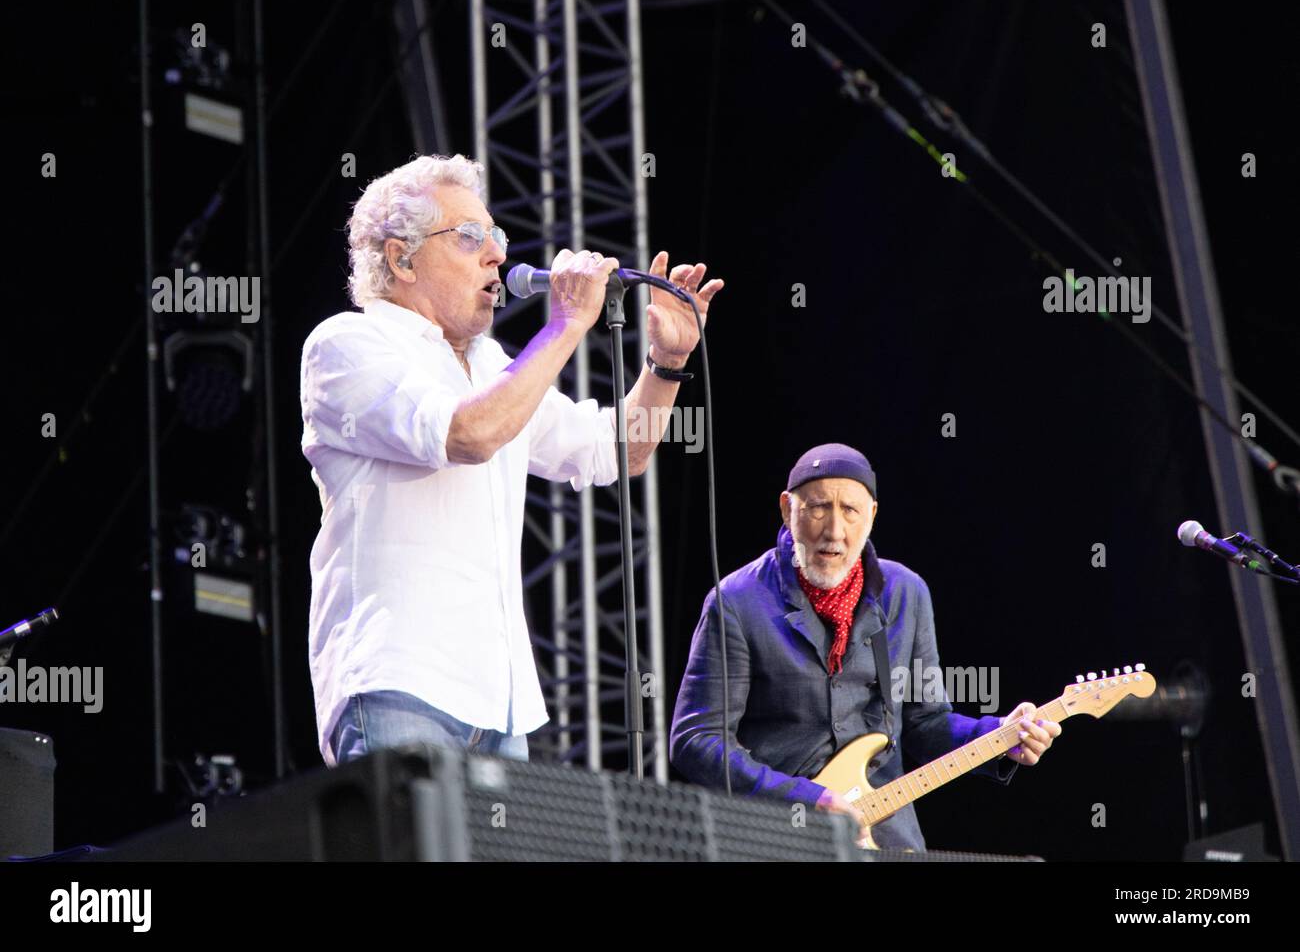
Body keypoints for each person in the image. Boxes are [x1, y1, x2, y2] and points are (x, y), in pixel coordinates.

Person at [300, 153, 723, 767]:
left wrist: (666, 364)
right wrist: (568, 325)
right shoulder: (348, 344)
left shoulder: (494, 364)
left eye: (495, 236)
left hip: (500, 706)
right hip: (399, 684)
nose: (496, 254)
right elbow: (467, 435)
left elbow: (618, 451)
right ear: (401, 258)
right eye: (469, 238)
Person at [669, 443, 1059, 850]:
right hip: (776, 838)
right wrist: (807, 799)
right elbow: (697, 740)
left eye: (851, 511)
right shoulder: (736, 601)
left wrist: (998, 734)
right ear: (787, 509)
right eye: (818, 507)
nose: (834, 531)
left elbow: (926, 723)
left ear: (871, 515)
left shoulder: (906, 593)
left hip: (887, 838)